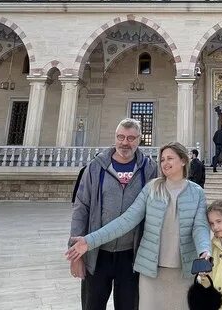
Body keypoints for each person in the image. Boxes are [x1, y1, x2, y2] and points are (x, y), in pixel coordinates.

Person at [67, 142, 211, 310]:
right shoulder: (152, 188)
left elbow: (200, 227)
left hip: (183, 271)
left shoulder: (197, 192)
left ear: (183, 161)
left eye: (170, 158)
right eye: (162, 159)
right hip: (151, 270)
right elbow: (126, 221)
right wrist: (89, 241)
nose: (165, 163)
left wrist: (204, 250)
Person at [69, 118, 158, 310]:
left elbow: (156, 213)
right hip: (97, 253)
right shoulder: (95, 167)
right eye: (121, 137)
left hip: (131, 256)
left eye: (131, 138)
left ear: (139, 140)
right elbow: (81, 208)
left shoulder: (149, 169)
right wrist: (76, 256)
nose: (125, 142)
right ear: (115, 137)